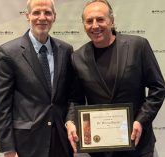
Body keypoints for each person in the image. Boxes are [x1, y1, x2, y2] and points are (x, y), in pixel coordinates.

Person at [65, 0, 165, 157]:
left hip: (137, 144)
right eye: (89, 21)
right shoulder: (77, 57)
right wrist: (70, 121)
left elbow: (158, 88)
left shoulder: (138, 46)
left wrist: (141, 120)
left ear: (111, 21)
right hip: (100, 149)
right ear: (84, 25)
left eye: (100, 19)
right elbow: (75, 99)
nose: (95, 25)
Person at [0, 0, 74, 157]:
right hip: (26, 143)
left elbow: (71, 95)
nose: (42, 17)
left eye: (47, 13)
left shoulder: (66, 50)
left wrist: (70, 121)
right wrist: (8, 148)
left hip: (61, 140)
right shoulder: (8, 52)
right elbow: (2, 106)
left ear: (54, 17)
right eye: (37, 12)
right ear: (27, 15)